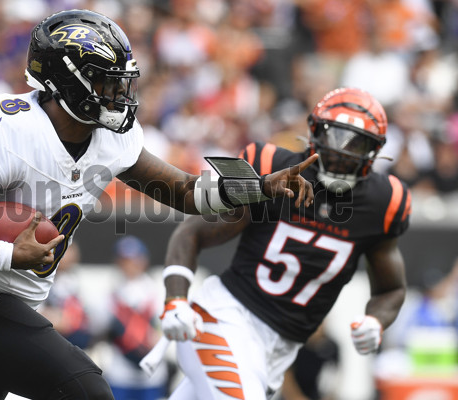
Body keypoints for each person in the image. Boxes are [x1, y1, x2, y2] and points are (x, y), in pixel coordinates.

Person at [0, 9, 317, 400]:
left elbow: (185, 193)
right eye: (107, 81)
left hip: (13, 299)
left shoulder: (111, 139)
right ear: (66, 80)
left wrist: (257, 187)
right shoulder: (16, 130)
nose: (118, 94)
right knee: (86, 389)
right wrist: (8, 252)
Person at [159, 87, 411, 400]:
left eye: (356, 144)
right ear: (315, 132)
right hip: (226, 318)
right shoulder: (271, 166)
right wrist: (176, 298)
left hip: (279, 350)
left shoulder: (383, 202)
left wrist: (377, 320)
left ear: (374, 151)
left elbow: (391, 288)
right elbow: (193, 232)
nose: (343, 154)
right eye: (335, 138)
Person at [102, 236, 169, 400]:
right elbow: (100, 327)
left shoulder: (157, 290)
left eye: (134, 259)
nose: (130, 264)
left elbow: (166, 326)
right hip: (119, 373)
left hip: (151, 374)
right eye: (125, 260)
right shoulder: (110, 292)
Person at [38, 241, 92, 350]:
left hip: (75, 341)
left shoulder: (73, 280)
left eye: (71, 250)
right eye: (67, 249)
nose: (70, 255)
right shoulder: (39, 279)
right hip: (48, 341)